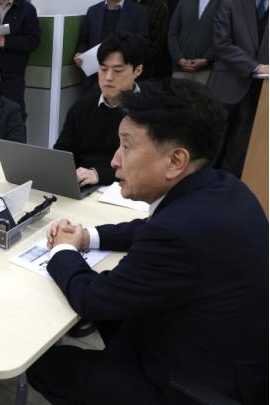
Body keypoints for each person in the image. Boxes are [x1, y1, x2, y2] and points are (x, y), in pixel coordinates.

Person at [27, 79, 268, 404]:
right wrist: (86, 236)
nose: (115, 160)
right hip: (228, 355)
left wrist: (63, 249)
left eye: (127, 146)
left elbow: (93, 299)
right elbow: (149, 227)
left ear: (175, 161)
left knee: (46, 365)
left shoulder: (176, 233)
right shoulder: (223, 186)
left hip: (193, 387)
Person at [54, 32, 145, 187]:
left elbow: (144, 167)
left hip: (125, 190)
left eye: (117, 71)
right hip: (81, 185)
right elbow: (61, 153)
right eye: (103, 69)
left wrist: (99, 174)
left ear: (137, 71)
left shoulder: (149, 112)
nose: (108, 77)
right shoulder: (81, 107)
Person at [207, 0, 268, 177]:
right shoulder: (230, 2)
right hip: (225, 87)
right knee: (209, 147)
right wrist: (255, 67)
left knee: (239, 154)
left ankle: (226, 190)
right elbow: (221, 43)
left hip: (261, 95)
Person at [73, 0, 148, 94]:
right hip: (93, 77)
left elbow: (142, 43)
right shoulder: (93, 10)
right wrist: (80, 54)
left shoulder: (138, 11)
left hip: (121, 76)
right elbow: (83, 41)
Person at [167, 0, 219, 84]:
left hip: (207, 72)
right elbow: (172, 33)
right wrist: (179, 58)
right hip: (180, 70)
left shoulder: (222, 3)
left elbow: (222, 37)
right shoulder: (184, 2)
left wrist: (207, 59)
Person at [134, 0, 171, 79]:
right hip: (127, 64)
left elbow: (158, 41)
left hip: (148, 68)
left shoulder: (159, 6)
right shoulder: (128, 4)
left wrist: (139, 61)